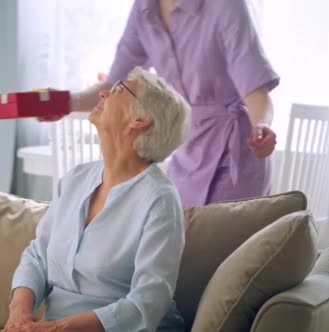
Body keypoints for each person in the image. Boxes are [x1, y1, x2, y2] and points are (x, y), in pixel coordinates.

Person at [0, 67, 191, 332]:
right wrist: (20, 312)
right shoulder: (76, 179)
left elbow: (146, 305)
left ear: (140, 119)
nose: (103, 92)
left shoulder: (159, 200)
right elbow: (38, 256)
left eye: (118, 90)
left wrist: (52, 327)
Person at [49, 0, 279, 208]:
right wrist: (65, 103)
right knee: (183, 244)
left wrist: (261, 126)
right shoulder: (144, 9)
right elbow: (115, 85)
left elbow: (255, 87)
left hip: (235, 154)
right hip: (187, 153)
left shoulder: (224, 5)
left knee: (225, 247)